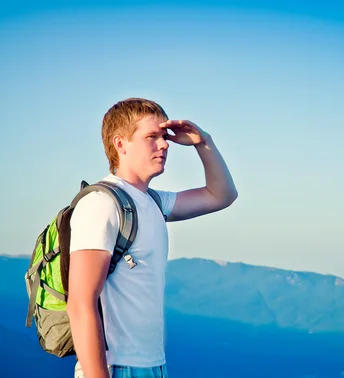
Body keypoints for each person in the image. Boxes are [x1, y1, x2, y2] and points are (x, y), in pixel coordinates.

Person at [67, 97, 238, 378]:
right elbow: (80, 303)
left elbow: (222, 195)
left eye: (163, 136)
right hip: (116, 368)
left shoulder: (153, 203)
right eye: (151, 137)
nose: (165, 144)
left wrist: (202, 141)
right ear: (120, 144)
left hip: (152, 365)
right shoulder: (102, 203)